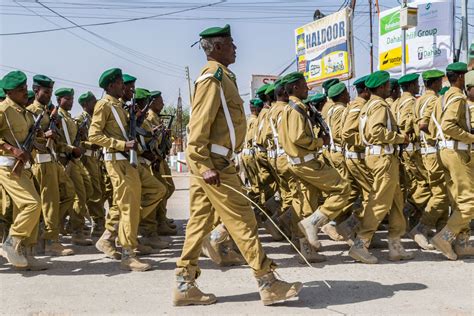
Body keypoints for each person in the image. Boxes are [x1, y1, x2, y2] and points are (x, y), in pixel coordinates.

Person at [174, 24, 302, 307]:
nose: (236, 48)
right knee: (243, 218)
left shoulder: (223, 77)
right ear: (217, 47)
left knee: (198, 223)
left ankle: (184, 285)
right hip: (214, 164)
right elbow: (197, 128)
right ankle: (267, 281)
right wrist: (203, 163)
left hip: (214, 162)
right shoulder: (212, 78)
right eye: (231, 43)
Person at [89, 68, 164, 271]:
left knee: (158, 190)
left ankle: (119, 232)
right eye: (122, 83)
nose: (125, 86)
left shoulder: (120, 106)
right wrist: (122, 145)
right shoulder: (104, 105)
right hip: (117, 161)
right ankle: (128, 253)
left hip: (129, 162)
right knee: (128, 207)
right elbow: (94, 136)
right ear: (112, 85)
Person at [278, 71, 350, 251]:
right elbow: (298, 137)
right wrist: (320, 142)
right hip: (306, 162)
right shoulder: (296, 109)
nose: (307, 88)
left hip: (298, 161)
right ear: (295, 87)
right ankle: (314, 223)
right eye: (304, 85)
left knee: (306, 204)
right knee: (342, 188)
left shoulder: (290, 108)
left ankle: (307, 249)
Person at [348, 70, 413, 264]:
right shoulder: (379, 106)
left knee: (396, 203)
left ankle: (395, 245)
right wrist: (400, 138)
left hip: (382, 157)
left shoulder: (370, 105)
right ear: (382, 87)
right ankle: (360, 245)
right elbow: (376, 132)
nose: (390, 89)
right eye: (388, 86)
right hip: (383, 157)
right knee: (380, 203)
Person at [0, 70, 45, 270]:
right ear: (9, 92)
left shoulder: (25, 112)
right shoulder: (3, 110)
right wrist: (11, 149)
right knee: (32, 204)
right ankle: (12, 241)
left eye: (25, 88)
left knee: (30, 207)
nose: (25, 92)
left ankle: (26, 253)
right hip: (8, 166)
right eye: (20, 90)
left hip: (24, 167)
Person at [27, 75, 75, 256]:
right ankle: (50, 241)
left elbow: (57, 139)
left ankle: (45, 230)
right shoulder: (31, 111)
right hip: (42, 163)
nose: (48, 95)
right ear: (36, 91)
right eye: (45, 92)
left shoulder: (48, 112)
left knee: (69, 193)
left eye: (50, 92)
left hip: (53, 161)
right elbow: (27, 139)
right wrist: (44, 136)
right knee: (50, 203)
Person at [431, 62, 474, 260]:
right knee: (469, 201)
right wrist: (470, 137)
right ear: (461, 77)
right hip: (456, 152)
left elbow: (434, 127)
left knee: (458, 200)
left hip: (445, 151)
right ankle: (445, 237)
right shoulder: (457, 97)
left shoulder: (442, 98)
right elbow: (448, 125)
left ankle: (463, 243)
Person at [412, 69, 449, 249]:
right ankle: (421, 228)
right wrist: (435, 137)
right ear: (435, 83)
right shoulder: (434, 100)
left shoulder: (418, 101)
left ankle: (442, 231)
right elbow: (424, 124)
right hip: (433, 151)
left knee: (441, 192)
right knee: (440, 193)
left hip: (425, 151)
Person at [339, 75, 373, 243]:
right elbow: (346, 133)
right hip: (357, 156)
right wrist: (366, 141)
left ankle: (362, 233)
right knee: (372, 196)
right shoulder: (358, 106)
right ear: (366, 90)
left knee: (358, 194)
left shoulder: (355, 105)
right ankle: (350, 225)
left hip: (354, 156)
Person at [76, 91, 106, 237]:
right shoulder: (79, 120)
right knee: (93, 192)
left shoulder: (95, 117)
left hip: (96, 158)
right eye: (94, 102)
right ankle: (97, 222)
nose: (97, 104)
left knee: (99, 190)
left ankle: (98, 219)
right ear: (85, 105)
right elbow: (75, 142)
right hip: (86, 158)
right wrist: (89, 144)